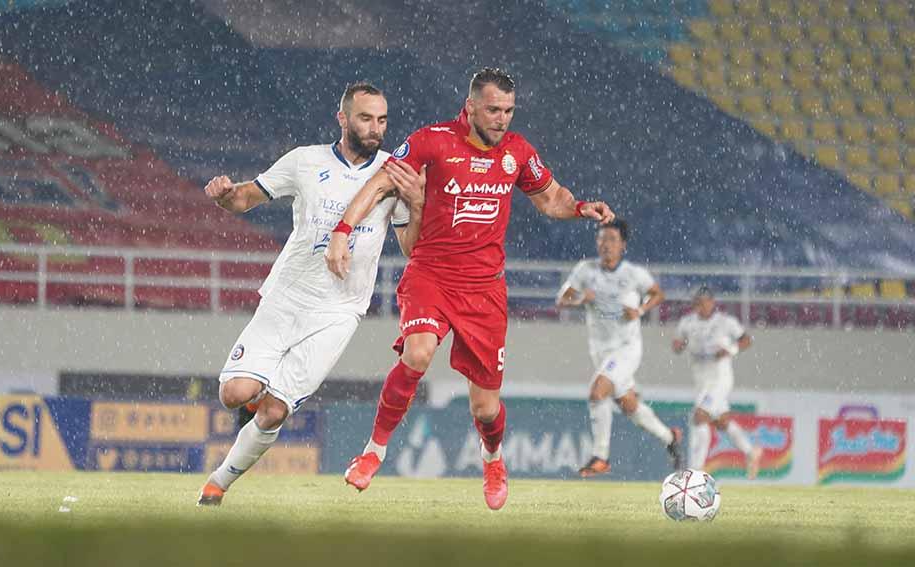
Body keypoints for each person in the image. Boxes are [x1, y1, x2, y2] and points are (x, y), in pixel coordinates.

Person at [325, 68, 615, 510]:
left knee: (484, 408)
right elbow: (379, 182)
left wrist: (578, 207)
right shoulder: (432, 140)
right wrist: (344, 230)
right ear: (471, 107)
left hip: (484, 290)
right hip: (432, 275)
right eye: (494, 109)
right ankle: (373, 451)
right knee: (418, 352)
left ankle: (493, 459)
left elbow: (549, 196)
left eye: (509, 111)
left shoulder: (517, 152)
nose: (502, 119)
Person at [196, 83, 425, 506]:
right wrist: (224, 196)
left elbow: (411, 248)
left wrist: (417, 200)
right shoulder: (304, 160)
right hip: (286, 296)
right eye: (365, 118)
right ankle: (258, 395)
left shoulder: (396, 172)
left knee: (275, 412)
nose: (375, 128)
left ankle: (218, 483)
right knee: (235, 394)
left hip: (339, 311)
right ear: (342, 118)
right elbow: (246, 198)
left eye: (382, 120)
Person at [556, 219, 681, 477]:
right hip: (599, 350)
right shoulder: (586, 270)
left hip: (626, 348)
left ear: (623, 245)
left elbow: (658, 294)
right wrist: (581, 298)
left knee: (597, 391)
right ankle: (669, 437)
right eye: (602, 239)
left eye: (612, 239)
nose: (606, 245)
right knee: (628, 404)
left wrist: (640, 310)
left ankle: (600, 456)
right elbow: (562, 299)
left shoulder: (633, 274)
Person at [672, 286, 762, 479]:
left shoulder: (725, 322)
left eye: (704, 301)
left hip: (720, 379)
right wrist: (679, 346)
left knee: (700, 416)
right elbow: (677, 344)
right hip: (701, 381)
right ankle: (750, 451)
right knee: (721, 422)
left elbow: (746, 340)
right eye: (697, 302)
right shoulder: (687, 323)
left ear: (712, 302)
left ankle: (696, 471)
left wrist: (730, 349)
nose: (701, 306)